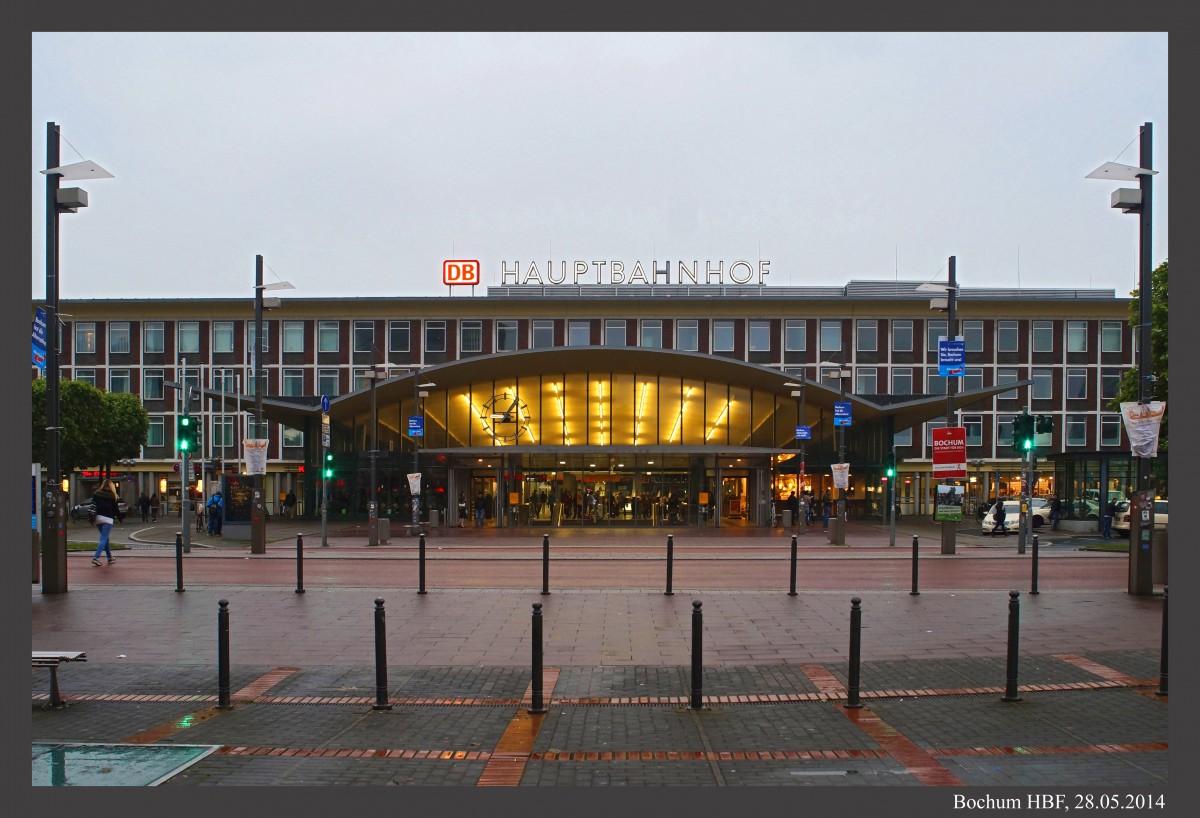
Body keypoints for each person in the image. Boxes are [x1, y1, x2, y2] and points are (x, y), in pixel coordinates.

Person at [91, 479, 121, 566]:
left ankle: (110, 557)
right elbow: (116, 509)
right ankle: (96, 557)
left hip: (98, 518)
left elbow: (93, 504)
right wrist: (120, 518)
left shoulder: (96, 494)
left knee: (105, 538)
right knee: (103, 538)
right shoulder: (113, 496)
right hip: (108, 518)